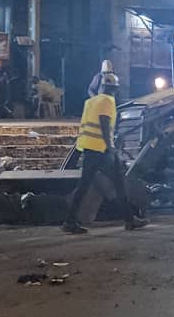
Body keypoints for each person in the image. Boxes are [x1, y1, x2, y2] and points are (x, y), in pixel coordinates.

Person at [63, 72, 148, 234]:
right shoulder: (108, 101)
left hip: (89, 148)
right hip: (101, 150)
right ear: (114, 89)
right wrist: (111, 148)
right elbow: (104, 124)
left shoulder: (91, 101)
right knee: (119, 182)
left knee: (84, 186)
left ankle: (69, 221)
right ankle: (130, 221)